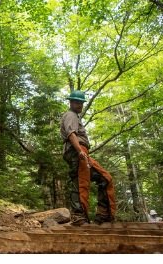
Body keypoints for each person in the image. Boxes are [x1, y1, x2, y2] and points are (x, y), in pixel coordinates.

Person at [60, 90, 116, 225]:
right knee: (81, 182)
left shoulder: (74, 116)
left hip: (79, 152)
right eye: (77, 102)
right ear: (71, 102)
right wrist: (80, 151)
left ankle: (103, 215)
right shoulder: (71, 115)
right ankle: (79, 218)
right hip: (76, 151)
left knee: (105, 178)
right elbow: (71, 134)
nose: (80, 105)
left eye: (81, 103)